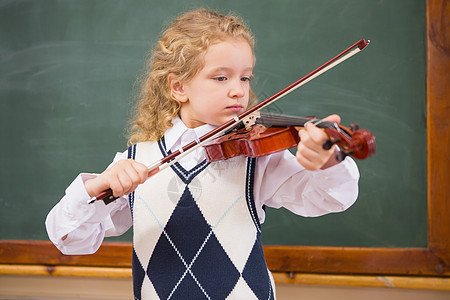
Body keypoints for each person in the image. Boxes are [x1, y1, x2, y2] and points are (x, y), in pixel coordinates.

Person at [46, 8, 359, 300]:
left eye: (244, 77)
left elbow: (329, 198)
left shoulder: (257, 157)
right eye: (221, 77)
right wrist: (94, 188)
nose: (238, 90)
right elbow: (71, 239)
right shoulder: (136, 162)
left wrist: (329, 164)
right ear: (179, 87)